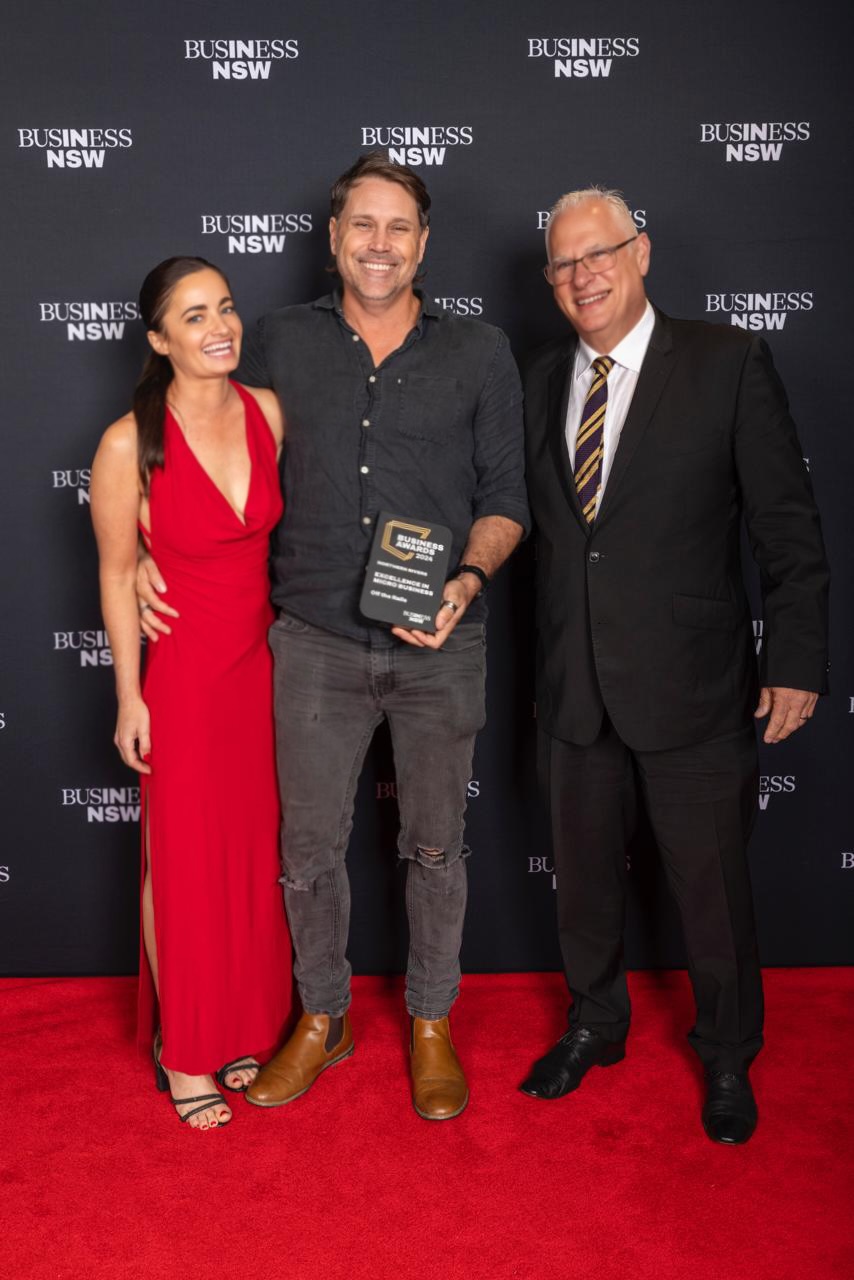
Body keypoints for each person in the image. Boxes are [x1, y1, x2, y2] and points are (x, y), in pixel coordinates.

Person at [139, 155, 529, 1120]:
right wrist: (146, 545)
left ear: (424, 243)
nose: (379, 245)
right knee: (309, 849)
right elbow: (198, 433)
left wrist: (467, 581)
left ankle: (431, 1021)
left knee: (435, 847)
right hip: (312, 640)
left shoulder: (480, 351)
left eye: (399, 227)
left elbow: (506, 501)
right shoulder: (274, 340)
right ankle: (323, 1017)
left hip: (442, 644)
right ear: (333, 237)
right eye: (363, 224)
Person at [520, 187, 829, 1143]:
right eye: (564, 263)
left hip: (693, 684)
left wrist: (797, 659)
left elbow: (786, 527)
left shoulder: (727, 361)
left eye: (600, 253)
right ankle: (595, 1022)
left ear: (641, 252)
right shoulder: (536, 379)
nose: (584, 275)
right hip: (574, 686)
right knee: (584, 883)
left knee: (712, 889)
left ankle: (729, 1054)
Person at [91, 257, 292, 1130]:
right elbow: (115, 574)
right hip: (183, 679)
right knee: (180, 862)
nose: (220, 327)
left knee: (249, 859)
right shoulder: (127, 443)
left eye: (227, 308)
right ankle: (184, 1047)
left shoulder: (268, 412)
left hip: (262, 672)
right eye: (195, 315)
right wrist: (129, 698)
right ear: (159, 339)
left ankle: (238, 1023)